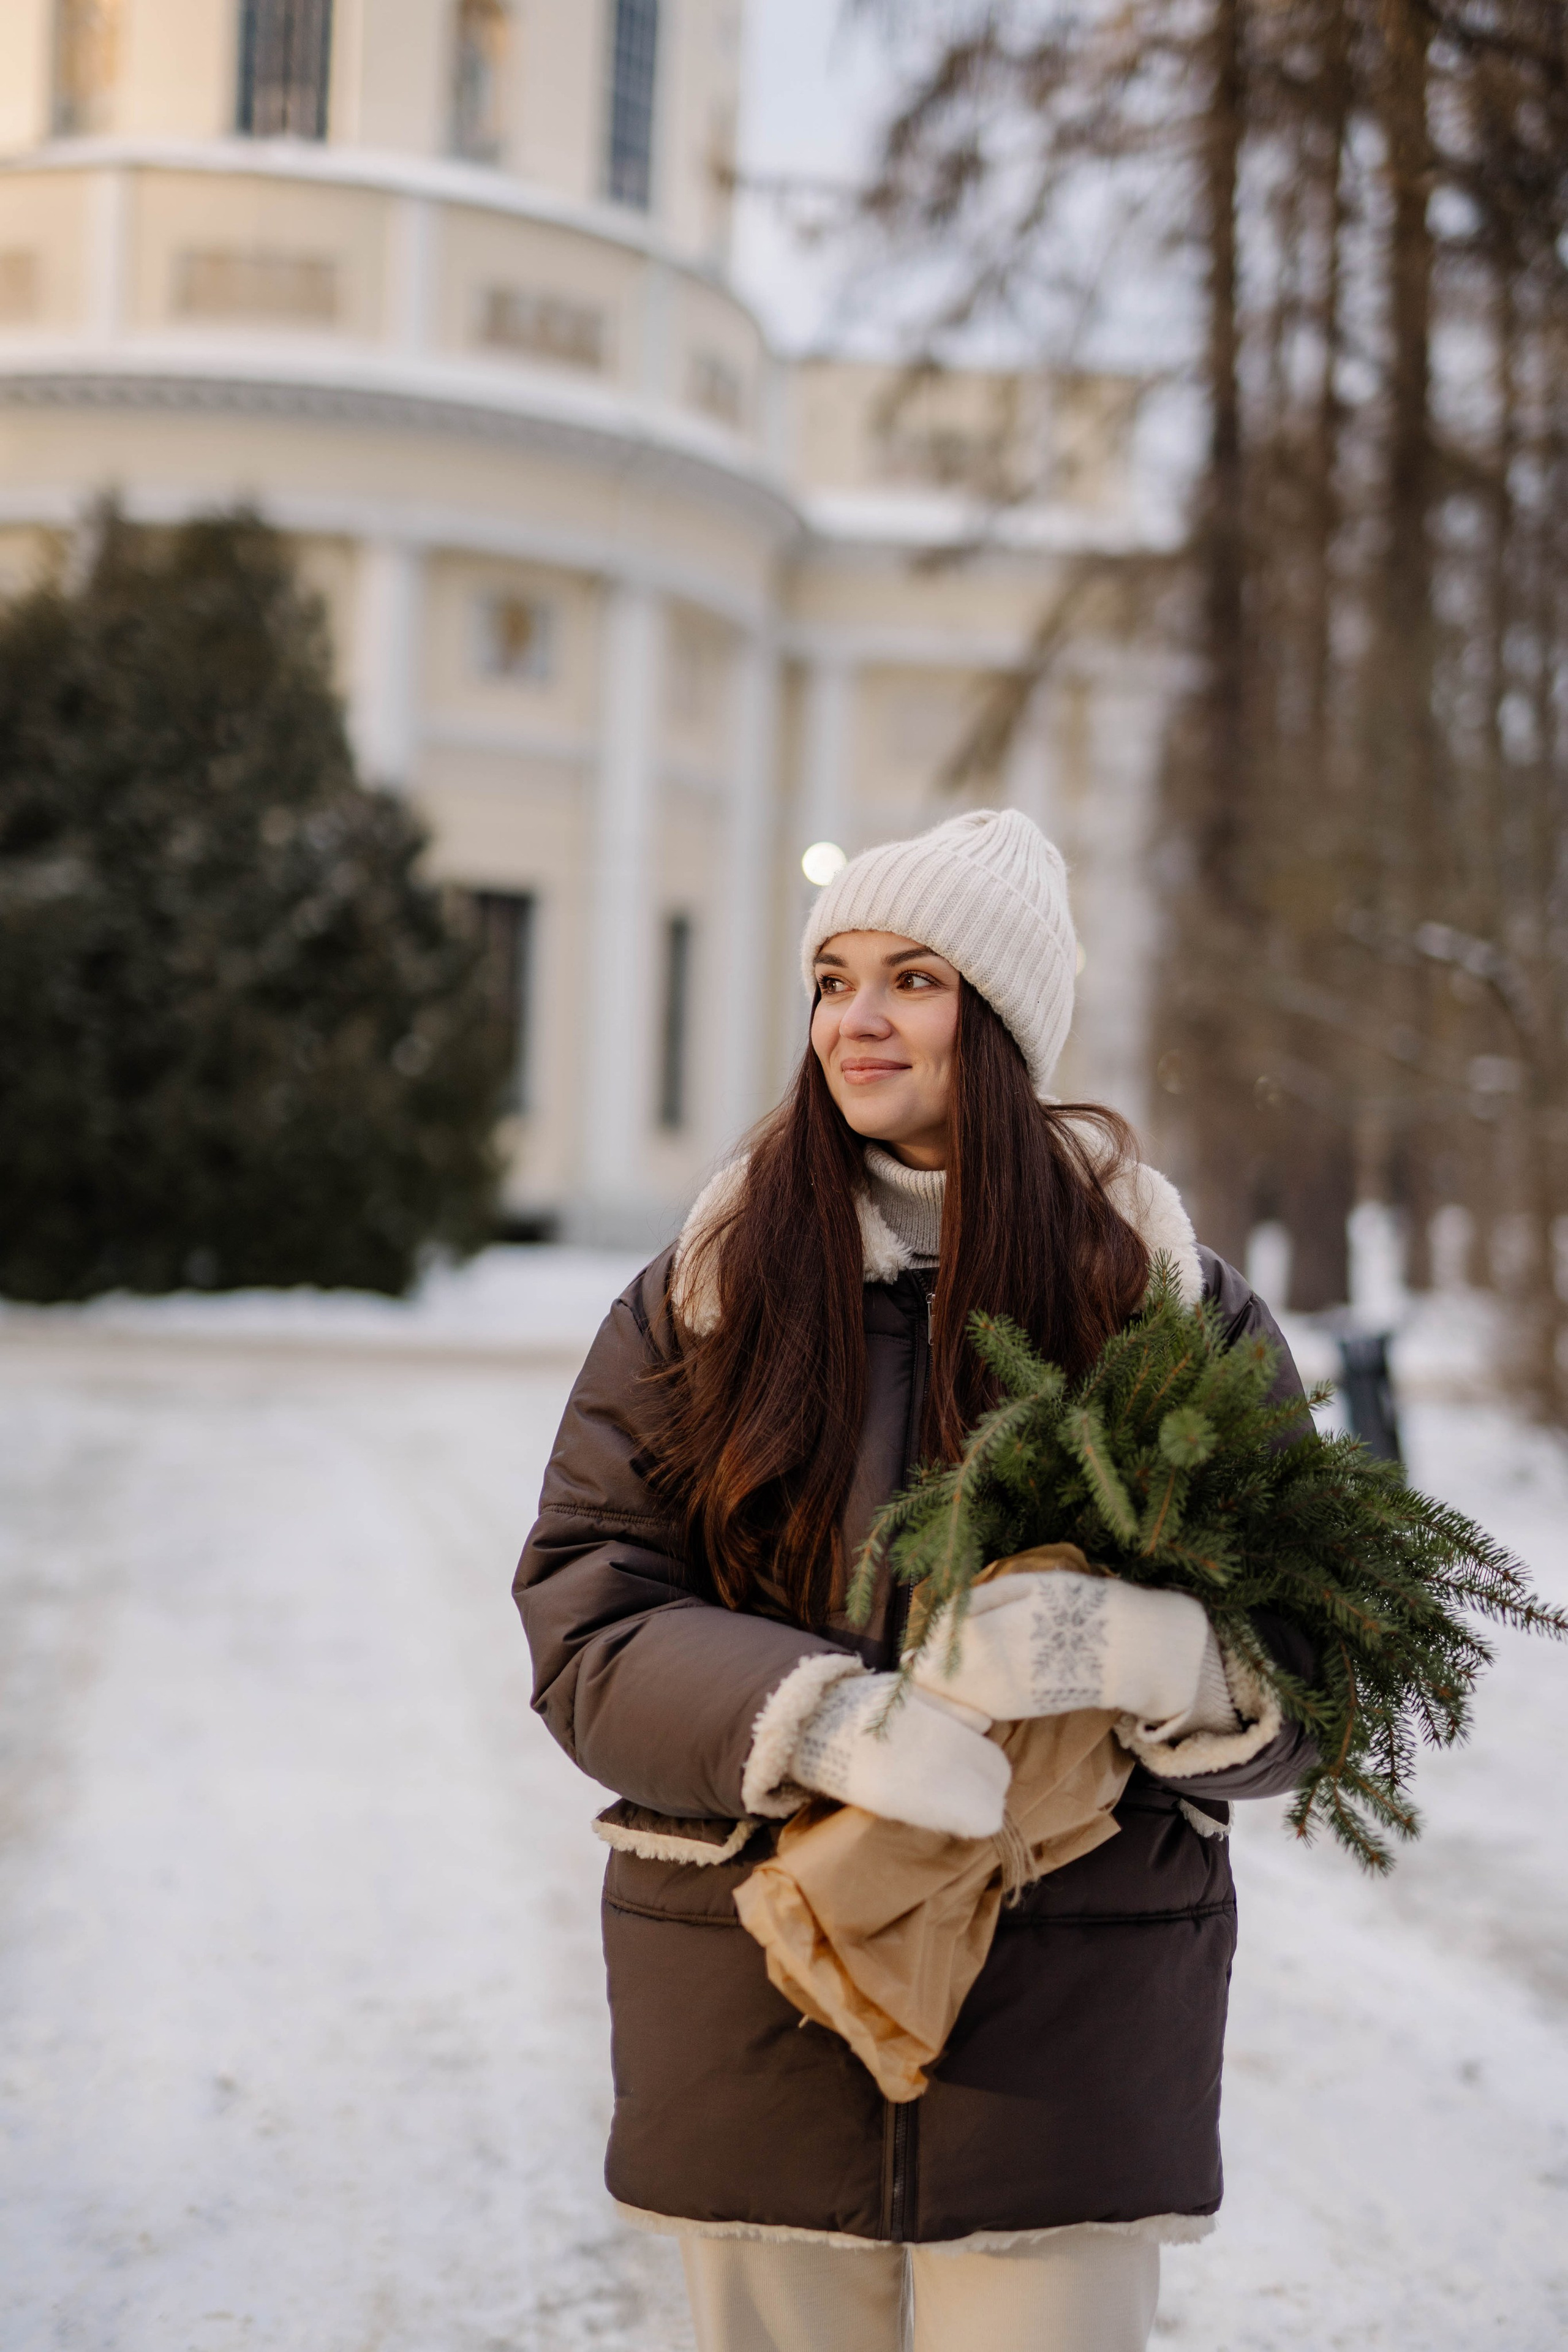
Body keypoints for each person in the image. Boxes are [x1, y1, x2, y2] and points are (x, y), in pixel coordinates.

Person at [514, 810, 1314, 2352]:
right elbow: (585, 1609)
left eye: (912, 979)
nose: (854, 1020)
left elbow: (1319, 1657)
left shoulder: (1158, 1309)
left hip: (1064, 2026)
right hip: (756, 1991)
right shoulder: (709, 1288)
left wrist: (1159, 1654)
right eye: (830, 979)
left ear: (1001, 1024)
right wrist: (814, 1721)